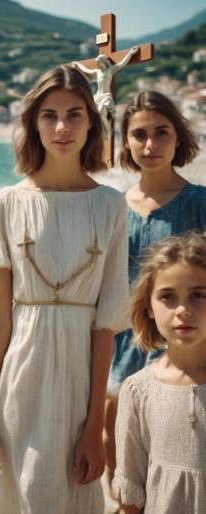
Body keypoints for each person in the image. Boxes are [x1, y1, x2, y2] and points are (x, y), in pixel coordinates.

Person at [0, 64, 130, 514]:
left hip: (80, 388)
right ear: (33, 123)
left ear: (91, 122)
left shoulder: (110, 206)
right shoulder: (5, 204)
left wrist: (95, 424)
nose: (62, 128)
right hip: (18, 384)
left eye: (75, 114)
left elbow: (106, 324)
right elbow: (0, 317)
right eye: (49, 115)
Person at [104, 90, 204, 486]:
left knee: (177, 451)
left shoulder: (200, 202)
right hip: (119, 344)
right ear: (125, 143)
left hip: (183, 344)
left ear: (178, 136)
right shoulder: (112, 207)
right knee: (117, 443)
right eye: (139, 134)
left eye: (161, 132)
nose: (151, 144)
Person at [113, 231, 206, 513]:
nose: (183, 309)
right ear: (149, 307)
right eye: (167, 296)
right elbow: (131, 492)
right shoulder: (138, 389)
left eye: (198, 295)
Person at [73, 46, 138, 139]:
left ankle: (107, 130)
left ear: (104, 61)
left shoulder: (110, 70)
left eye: (100, 62)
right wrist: (77, 64)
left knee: (100, 112)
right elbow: (85, 70)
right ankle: (101, 131)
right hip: (98, 96)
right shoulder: (97, 72)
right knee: (95, 115)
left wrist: (130, 53)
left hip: (106, 96)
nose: (99, 64)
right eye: (98, 63)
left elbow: (122, 63)